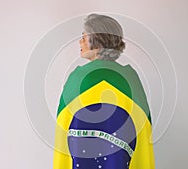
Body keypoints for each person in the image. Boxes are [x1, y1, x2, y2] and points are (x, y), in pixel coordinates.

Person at [53, 13, 155, 169]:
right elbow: (144, 127)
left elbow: (63, 127)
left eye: (84, 37)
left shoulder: (78, 78)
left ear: (98, 42)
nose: (80, 42)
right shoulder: (130, 78)